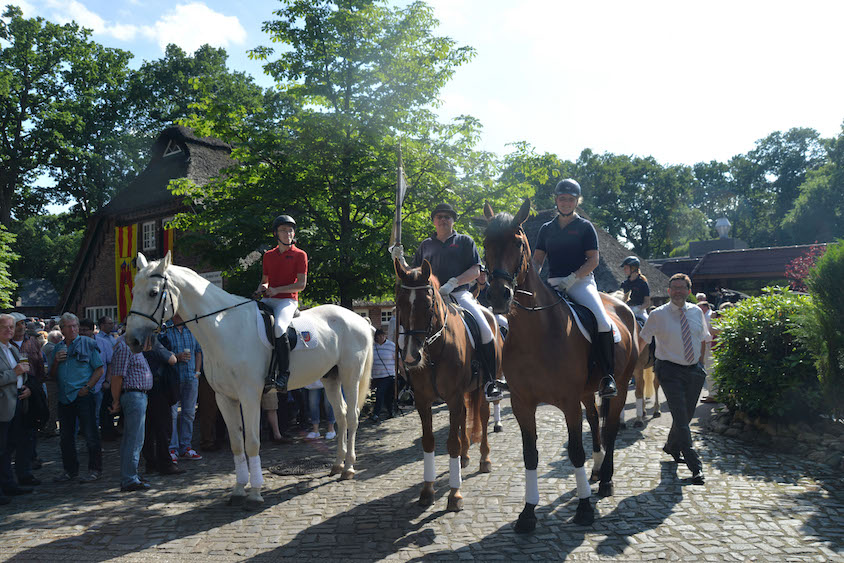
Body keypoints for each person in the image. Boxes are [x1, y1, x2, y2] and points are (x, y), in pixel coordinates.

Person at [394, 202, 503, 402]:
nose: (443, 220)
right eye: (439, 217)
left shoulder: (464, 241)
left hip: (459, 294)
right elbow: (414, 273)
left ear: (453, 220)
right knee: (403, 337)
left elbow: (475, 270)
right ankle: (409, 385)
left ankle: (489, 381)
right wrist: (401, 261)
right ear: (434, 221)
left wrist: (453, 283)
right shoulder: (425, 245)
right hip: (429, 298)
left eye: (447, 217)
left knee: (485, 330)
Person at [532, 179, 617, 398]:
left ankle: (607, 376)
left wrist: (572, 279)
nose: (566, 203)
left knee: (602, 321)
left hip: (580, 283)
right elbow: (538, 261)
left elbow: (593, 260)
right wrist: (531, 278)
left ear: (577, 201)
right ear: (556, 200)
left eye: (570, 199)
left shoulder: (585, 227)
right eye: (562, 199)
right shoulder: (546, 229)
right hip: (552, 284)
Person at [639, 273, 708, 485]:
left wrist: (701, 364)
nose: (678, 291)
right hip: (668, 370)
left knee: (685, 417)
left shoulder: (697, 312)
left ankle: (671, 446)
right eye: (674, 288)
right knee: (681, 417)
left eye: (682, 288)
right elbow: (642, 341)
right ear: (668, 291)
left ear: (689, 291)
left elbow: (703, 338)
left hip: (694, 370)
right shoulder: (657, 315)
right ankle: (695, 466)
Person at [253, 214, 308, 392]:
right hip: (269, 298)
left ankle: (284, 374)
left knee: (278, 328)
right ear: (276, 233)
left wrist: (277, 290)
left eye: (290, 230)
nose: (288, 233)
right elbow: (265, 280)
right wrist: (260, 289)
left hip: (288, 300)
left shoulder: (300, 255)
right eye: (284, 230)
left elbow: (301, 284)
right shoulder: (268, 256)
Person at [48, 312, 104, 483]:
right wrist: (56, 361)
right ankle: (70, 470)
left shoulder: (88, 343)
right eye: (69, 326)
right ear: (62, 329)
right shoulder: (58, 348)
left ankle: (95, 469)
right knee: (65, 437)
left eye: (75, 326)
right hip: (65, 398)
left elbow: (99, 369)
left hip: (83, 397)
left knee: (90, 434)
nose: (72, 329)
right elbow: (51, 375)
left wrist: (87, 388)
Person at [109, 336, 154, 492]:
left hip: (138, 395)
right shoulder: (124, 347)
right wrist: (115, 401)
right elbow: (117, 377)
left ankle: (131, 474)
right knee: (133, 440)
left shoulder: (133, 346)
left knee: (134, 439)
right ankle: (129, 479)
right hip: (134, 395)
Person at [0, 313, 34, 503]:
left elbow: (22, 373)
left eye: (11, 327)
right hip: (3, 406)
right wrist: (15, 373)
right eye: (5, 327)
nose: (9, 330)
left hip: (17, 403)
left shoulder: (12, 349)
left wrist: (26, 386)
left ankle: (9, 485)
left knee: (11, 446)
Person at [162, 315, 203, 461]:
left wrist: (197, 372)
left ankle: (186, 446)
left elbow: (198, 351)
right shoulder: (165, 329)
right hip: (173, 378)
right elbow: (161, 352)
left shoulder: (192, 328)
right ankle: (172, 449)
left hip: (190, 377)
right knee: (172, 415)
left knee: (189, 413)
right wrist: (176, 357)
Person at [142, 336, 183, 476]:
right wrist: (170, 353)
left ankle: (150, 463)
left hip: (143, 389)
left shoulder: (127, 339)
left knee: (148, 430)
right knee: (163, 428)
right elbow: (172, 360)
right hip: (157, 389)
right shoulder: (152, 340)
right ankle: (165, 464)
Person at [95, 316, 119, 440]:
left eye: (112, 323)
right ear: (102, 325)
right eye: (109, 323)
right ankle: (104, 431)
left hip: (115, 376)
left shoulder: (113, 338)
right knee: (102, 408)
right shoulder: (99, 340)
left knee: (111, 405)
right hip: (103, 379)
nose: (112, 325)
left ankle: (111, 428)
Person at [370, 328, 396, 423]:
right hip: (376, 376)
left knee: (380, 393)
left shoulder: (391, 346)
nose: (381, 338)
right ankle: (390, 412)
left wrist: (402, 372)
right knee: (386, 396)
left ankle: (376, 414)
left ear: (385, 336)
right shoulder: (372, 347)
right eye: (378, 336)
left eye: (382, 335)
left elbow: (398, 361)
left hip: (388, 375)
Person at [620, 256, 651, 323]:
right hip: (626, 310)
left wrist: (638, 308)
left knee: (649, 325)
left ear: (633, 268)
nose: (624, 270)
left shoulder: (643, 284)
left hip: (640, 312)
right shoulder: (624, 284)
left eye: (626, 268)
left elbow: (647, 302)